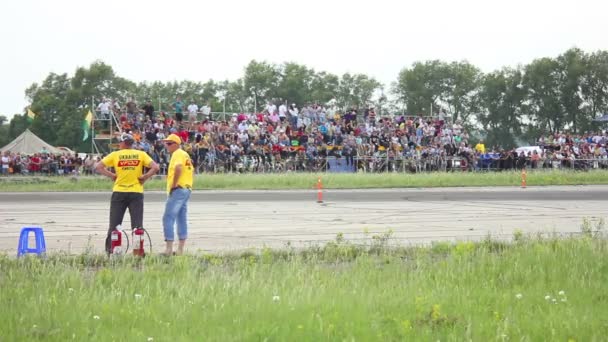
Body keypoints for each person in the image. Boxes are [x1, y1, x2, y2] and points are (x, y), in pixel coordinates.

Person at [95, 133, 160, 254]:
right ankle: (138, 251)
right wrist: (145, 177)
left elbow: (98, 167)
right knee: (137, 226)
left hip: (119, 191)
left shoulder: (115, 155)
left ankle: (111, 250)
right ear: (131, 144)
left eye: (119, 142)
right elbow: (155, 167)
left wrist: (112, 176)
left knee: (114, 224)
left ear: (123, 143)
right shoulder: (140, 154)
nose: (119, 144)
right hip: (136, 192)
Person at [161, 133, 194, 255]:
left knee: (168, 217)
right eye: (166, 143)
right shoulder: (185, 155)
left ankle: (169, 249)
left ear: (176, 144)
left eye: (169, 143)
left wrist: (174, 184)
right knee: (181, 218)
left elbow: (179, 168)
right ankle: (180, 249)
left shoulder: (178, 154)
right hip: (186, 188)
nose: (167, 146)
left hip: (178, 189)